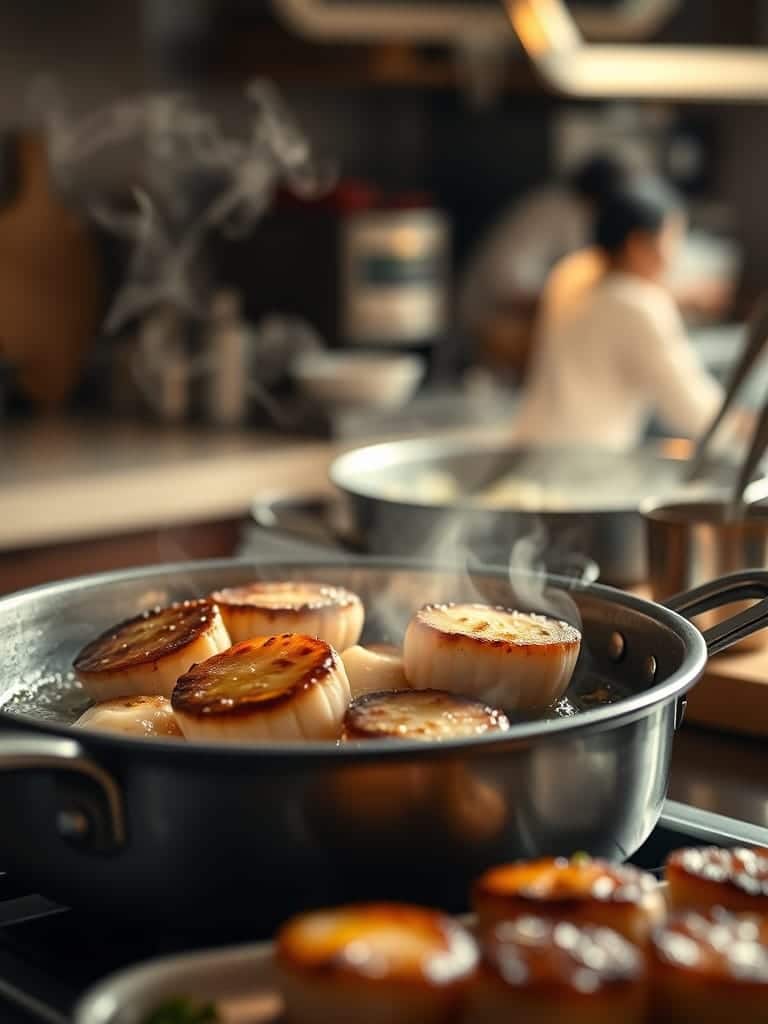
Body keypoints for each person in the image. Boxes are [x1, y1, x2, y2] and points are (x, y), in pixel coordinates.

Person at [512, 179, 724, 450]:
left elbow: (612, 297)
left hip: (528, 449)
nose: (673, 258)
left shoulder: (568, 274)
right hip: (589, 464)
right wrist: (747, 426)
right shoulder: (642, 306)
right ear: (637, 244)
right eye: (671, 240)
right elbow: (697, 413)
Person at [458, 154, 627, 335]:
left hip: (489, 298)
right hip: (495, 307)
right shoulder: (569, 210)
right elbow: (579, 270)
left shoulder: (553, 199)